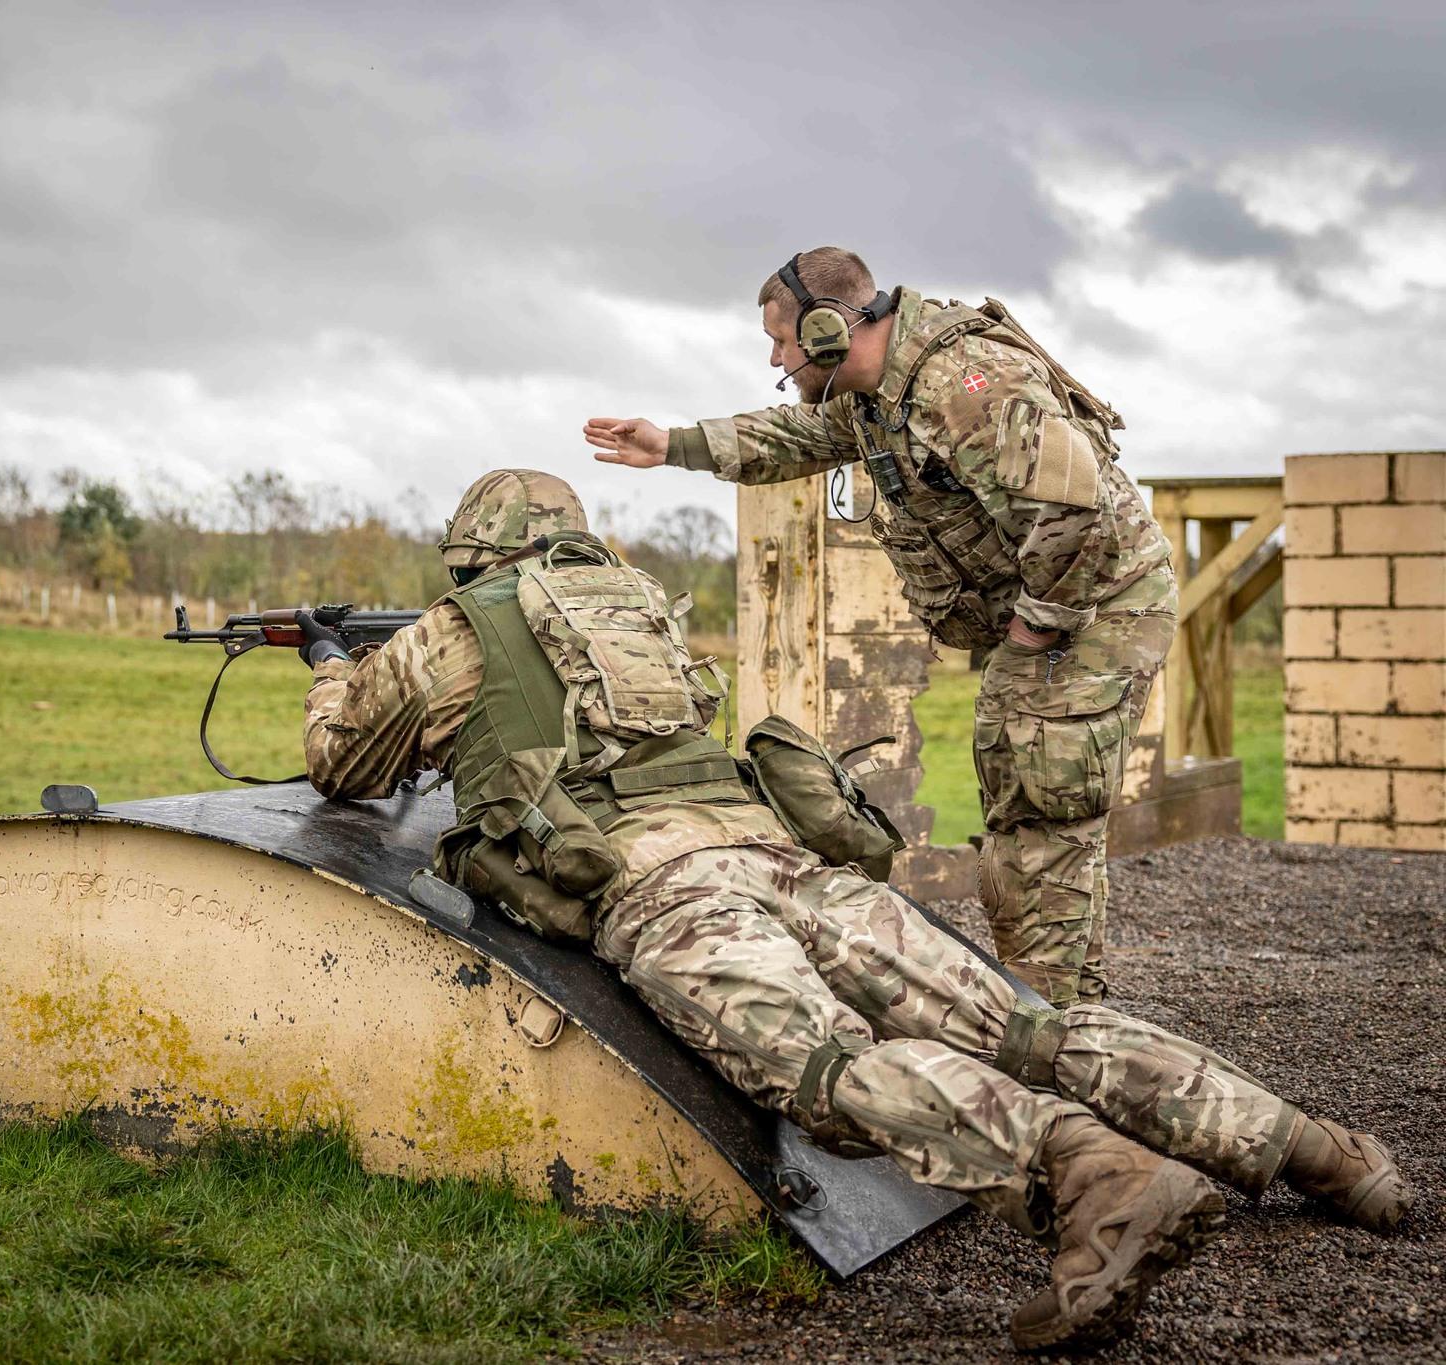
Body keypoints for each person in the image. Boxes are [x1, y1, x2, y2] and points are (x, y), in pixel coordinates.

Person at [296, 468, 1410, 1352]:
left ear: (472, 554)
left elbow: (342, 767)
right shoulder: (639, 607)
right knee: (1022, 1024)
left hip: (661, 887)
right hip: (781, 858)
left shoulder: (449, 631)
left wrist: (332, 666)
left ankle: (1093, 1182)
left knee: (826, 1071)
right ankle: (1323, 1154)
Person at [584, 247, 1169, 1009]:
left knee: (1039, 809)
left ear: (827, 331)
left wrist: (1035, 630)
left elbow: (1074, 510)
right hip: (1061, 611)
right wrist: (673, 446)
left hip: (1095, 609)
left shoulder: (965, 385)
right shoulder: (875, 394)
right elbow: (793, 438)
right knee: (1039, 815)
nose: (775, 357)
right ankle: (1069, 1010)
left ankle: (1053, 1030)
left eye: (781, 341)